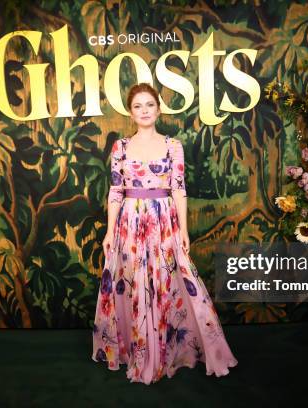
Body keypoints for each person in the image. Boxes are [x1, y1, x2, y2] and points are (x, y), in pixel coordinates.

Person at [91, 83, 238, 385]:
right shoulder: (120, 147)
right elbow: (116, 190)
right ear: (131, 113)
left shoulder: (173, 145)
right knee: (134, 281)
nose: (144, 111)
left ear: (158, 109)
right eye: (137, 106)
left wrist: (183, 230)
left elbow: (179, 189)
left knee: (171, 279)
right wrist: (109, 231)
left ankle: (176, 348)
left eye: (149, 105)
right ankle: (139, 352)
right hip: (130, 223)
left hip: (164, 221)